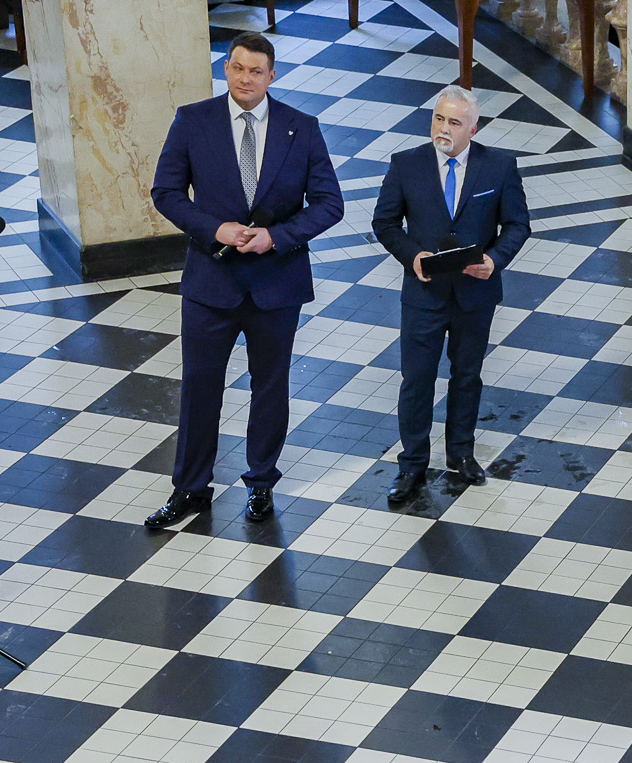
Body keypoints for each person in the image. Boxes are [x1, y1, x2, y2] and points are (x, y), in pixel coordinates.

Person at [145, 31, 343, 529]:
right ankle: (190, 490)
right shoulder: (194, 121)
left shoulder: (303, 127)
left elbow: (329, 204)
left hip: (277, 283)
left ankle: (260, 485)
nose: (245, 78)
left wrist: (275, 237)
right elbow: (166, 191)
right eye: (237, 68)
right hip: (211, 282)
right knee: (199, 388)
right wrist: (216, 229)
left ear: (272, 76)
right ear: (225, 69)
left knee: (271, 387)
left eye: (256, 71)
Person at [371, 85, 531, 505]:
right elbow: (385, 223)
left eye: (454, 122)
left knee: (466, 376)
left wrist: (495, 261)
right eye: (438, 118)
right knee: (417, 380)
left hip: (474, 294)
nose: (443, 128)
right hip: (423, 294)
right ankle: (412, 465)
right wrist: (413, 256)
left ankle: (461, 454)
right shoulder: (406, 165)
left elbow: (517, 225)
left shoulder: (498, 167)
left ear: (472, 129)